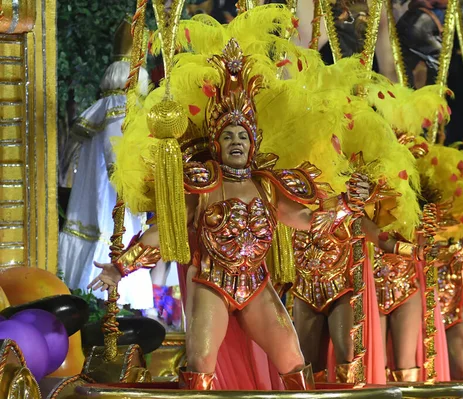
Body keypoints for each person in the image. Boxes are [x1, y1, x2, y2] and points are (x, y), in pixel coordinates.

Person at [88, 34, 409, 390]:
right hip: (213, 282)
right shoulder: (204, 184)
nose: (236, 142)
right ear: (217, 144)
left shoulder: (268, 186)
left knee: (292, 357)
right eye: (228, 136)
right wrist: (122, 266)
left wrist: (348, 205)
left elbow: (308, 221)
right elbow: (169, 230)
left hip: (256, 286)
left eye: (242, 135)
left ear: (253, 142)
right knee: (199, 361)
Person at [58, 19, 153, 311]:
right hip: (113, 197)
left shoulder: (108, 104)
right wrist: (138, 187)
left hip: (99, 195)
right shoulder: (120, 106)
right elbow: (117, 155)